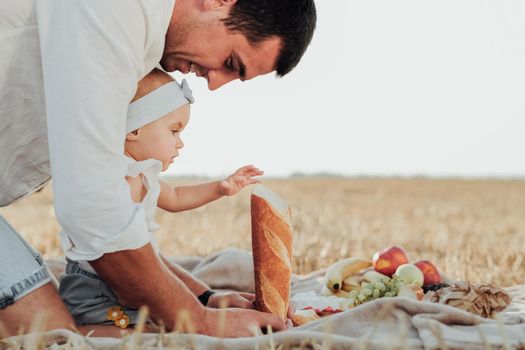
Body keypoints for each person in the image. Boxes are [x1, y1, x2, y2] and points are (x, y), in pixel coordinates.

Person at [0, 0, 316, 337]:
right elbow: (95, 210)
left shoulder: (143, 38)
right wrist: (200, 321)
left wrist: (205, 299)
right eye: (230, 62)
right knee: (48, 333)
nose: (214, 84)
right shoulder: (116, 11)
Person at [58, 69, 271, 336]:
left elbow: (177, 197)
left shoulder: (145, 175)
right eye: (174, 131)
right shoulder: (113, 179)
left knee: (158, 325)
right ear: (133, 129)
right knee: (135, 330)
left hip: (129, 281)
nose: (180, 143)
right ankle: (81, 329)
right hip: (96, 287)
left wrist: (220, 188)